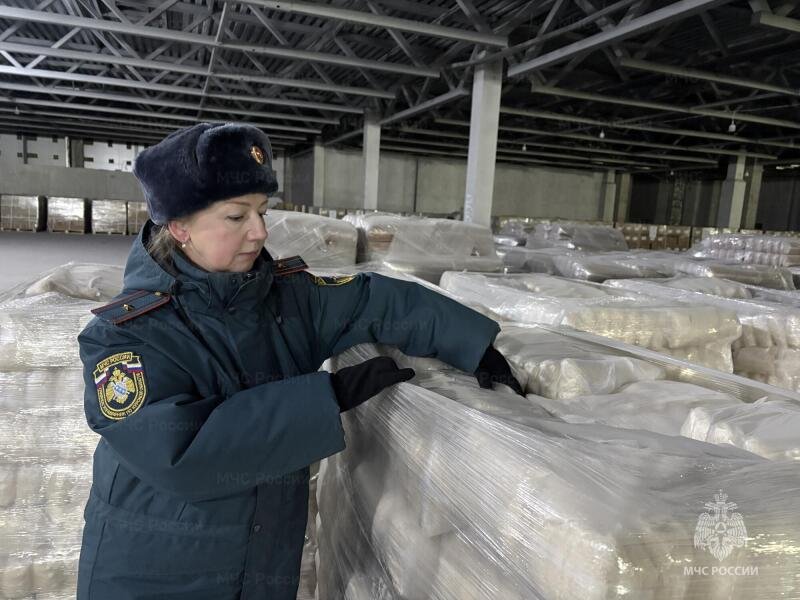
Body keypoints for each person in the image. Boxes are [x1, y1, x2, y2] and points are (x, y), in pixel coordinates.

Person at [76, 122, 523, 600]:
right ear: (179, 225)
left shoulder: (284, 299)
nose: (260, 232)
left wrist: (471, 342)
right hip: (154, 577)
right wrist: (324, 398)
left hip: (262, 567)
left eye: (262, 211)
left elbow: (372, 300)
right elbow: (180, 455)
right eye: (236, 216)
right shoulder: (124, 337)